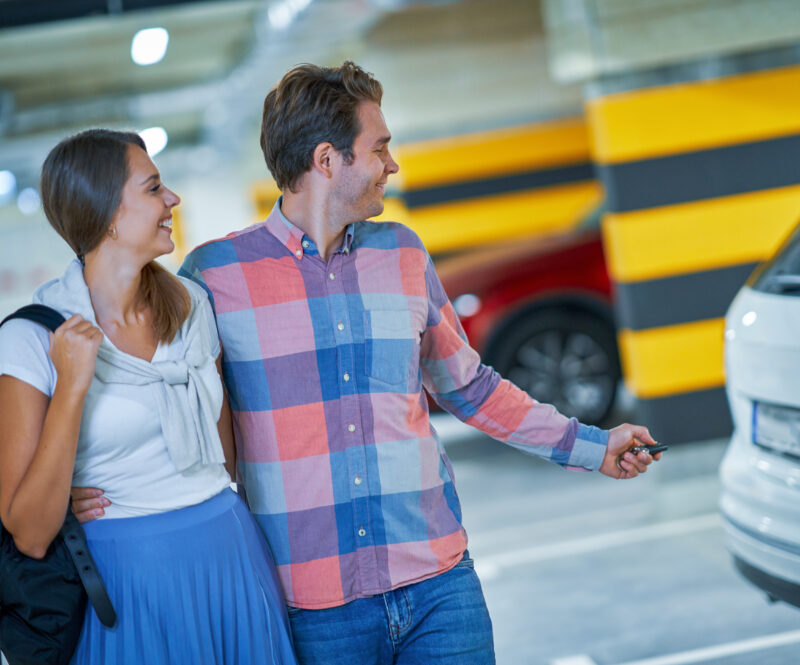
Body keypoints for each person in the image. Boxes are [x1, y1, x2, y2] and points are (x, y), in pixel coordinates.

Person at [81, 64, 661, 664]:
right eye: (379, 147)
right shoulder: (214, 275)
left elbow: (471, 387)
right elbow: (161, 396)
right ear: (327, 161)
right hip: (310, 607)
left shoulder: (404, 253)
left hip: (438, 584)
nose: (393, 164)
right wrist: (92, 487)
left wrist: (592, 444)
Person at [0, 129, 298, 665]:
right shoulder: (30, 340)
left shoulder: (191, 307)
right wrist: (72, 387)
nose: (172, 200)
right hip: (125, 579)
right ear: (107, 215)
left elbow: (225, 456)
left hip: (229, 553)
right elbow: (31, 535)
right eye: (154, 188)